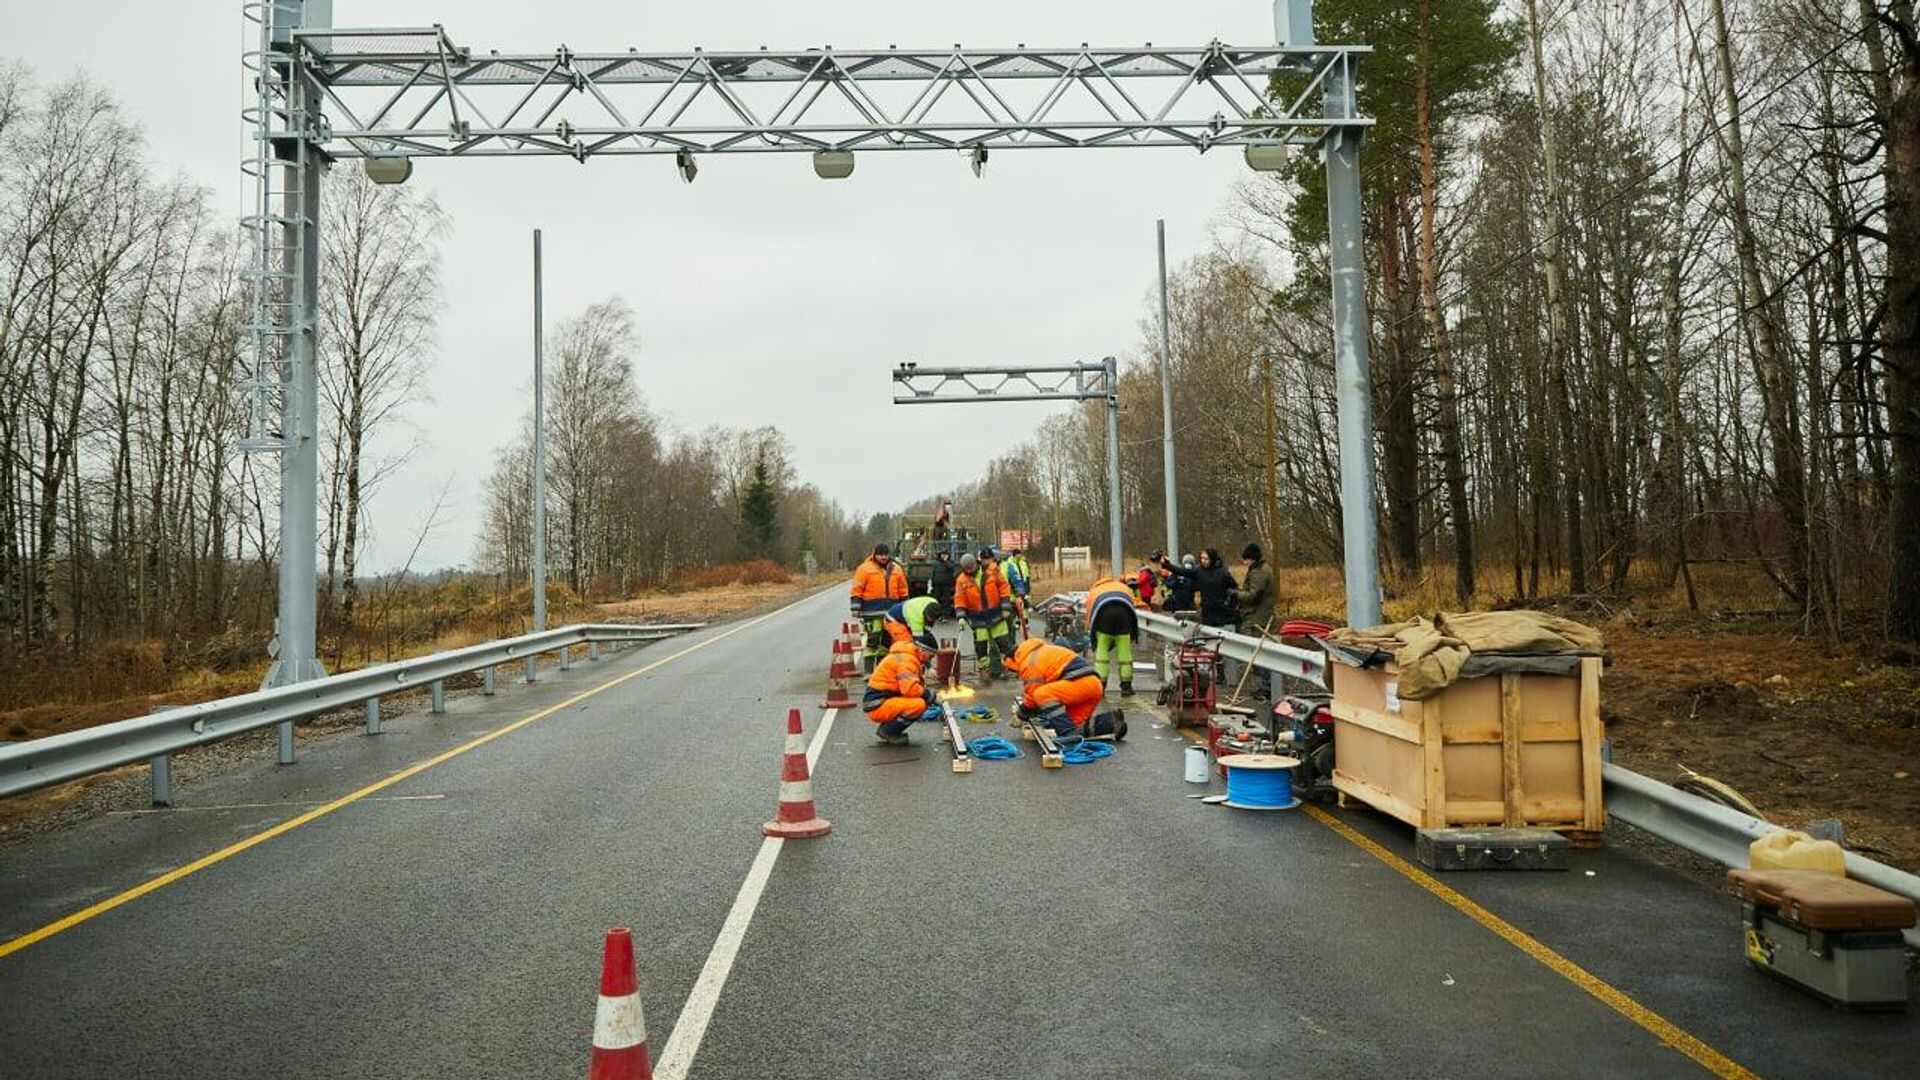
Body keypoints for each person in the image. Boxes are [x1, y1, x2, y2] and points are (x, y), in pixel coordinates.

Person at [1006, 639, 1127, 740]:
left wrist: (1021, 716)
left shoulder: (1029, 663)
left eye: (1013, 671)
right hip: (1091, 685)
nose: (1017, 675)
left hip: (1082, 684)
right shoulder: (1040, 651)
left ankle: (1069, 735)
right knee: (1076, 727)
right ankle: (1112, 721)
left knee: (1041, 695)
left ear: (1014, 662)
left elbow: (1033, 697)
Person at [864, 638, 938, 745]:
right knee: (919, 705)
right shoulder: (907, 661)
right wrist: (931, 697)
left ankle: (889, 729)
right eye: (930, 656)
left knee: (921, 700)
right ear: (922, 650)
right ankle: (888, 732)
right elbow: (910, 689)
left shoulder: (906, 656)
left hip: (879, 701)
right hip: (878, 705)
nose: (930, 660)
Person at [953, 552, 1015, 679]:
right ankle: (984, 669)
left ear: (977, 563)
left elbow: (1004, 587)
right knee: (981, 645)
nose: (970, 571)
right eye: (967, 570)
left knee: (1004, 642)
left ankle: (1009, 666)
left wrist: (1006, 606)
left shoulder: (992, 571)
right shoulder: (961, 580)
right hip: (977, 617)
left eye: (972, 568)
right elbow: (960, 599)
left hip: (996, 613)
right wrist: (961, 616)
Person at [851, 543, 909, 668]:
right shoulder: (864, 569)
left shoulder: (896, 569)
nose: (883, 557)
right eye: (880, 555)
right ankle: (869, 671)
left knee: (887, 643)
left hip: (891, 613)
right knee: (873, 641)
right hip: (871, 612)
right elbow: (857, 589)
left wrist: (905, 606)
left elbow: (903, 589)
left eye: (885, 554)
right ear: (874, 555)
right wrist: (855, 606)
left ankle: (882, 668)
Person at [1233, 542, 1278, 703]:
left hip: (1259, 618)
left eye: (1246, 559)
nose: (1244, 562)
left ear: (1252, 559)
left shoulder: (1259, 573)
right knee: (1260, 655)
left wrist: (1237, 594)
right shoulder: (1263, 569)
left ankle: (1268, 687)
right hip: (1261, 616)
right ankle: (1267, 686)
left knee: (1260, 655)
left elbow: (1253, 595)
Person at [1086, 575, 1142, 697]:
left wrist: (1093, 637)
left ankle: (1101, 686)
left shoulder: (1095, 591)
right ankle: (1126, 686)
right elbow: (1133, 604)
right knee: (1124, 653)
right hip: (1124, 618)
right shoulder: (1123, 587)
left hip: (1104, 618)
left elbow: (1090, 614)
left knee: (1102, 652)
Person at [1162, 548, 1237, 627]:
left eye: (1206, 559)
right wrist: (1167, 565)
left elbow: (1233, 588)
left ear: (1212, 559)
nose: (1203, 561)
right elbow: (1183, 572)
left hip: (1222, 611)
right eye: (1202, 558)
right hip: (1207, 612)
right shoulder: (1199, 571)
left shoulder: (1223, 572)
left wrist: (1229, 602)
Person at [929, 551, 958, 619]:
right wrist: (932, 581)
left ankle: (945, 615)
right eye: (942, 554)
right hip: (937, 584)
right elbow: (933, 572)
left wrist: (946, 561)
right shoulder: (937, 563)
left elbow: (950, 568)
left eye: (945, 554)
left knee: (946, 600)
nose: (944, 556)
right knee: (936, 599)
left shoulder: (950, 562)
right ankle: (936, 614)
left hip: (946, 584)